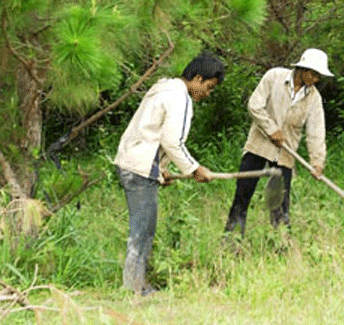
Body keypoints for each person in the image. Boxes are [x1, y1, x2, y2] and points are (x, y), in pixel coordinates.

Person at [113, 51, 225, 296]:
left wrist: (160, 171)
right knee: (142, 231)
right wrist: (195, 169)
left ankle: (136, 284)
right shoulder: (180, 97)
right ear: (197, 78)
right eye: (208, 87)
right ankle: (134, 289)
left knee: (142, 228)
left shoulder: (163, 88)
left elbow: (150, 133)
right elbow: (172, 141)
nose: (207, 93)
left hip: (131, 162)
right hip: (138, 168)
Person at [224, 48, 331, 234]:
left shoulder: (314, 98)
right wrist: (271, 130)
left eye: (318, 76)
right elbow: (254, 106)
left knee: (279, 204)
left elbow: (316, 132)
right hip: (258, 147)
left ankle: (280, 244)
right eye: (313, 74)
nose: (315, 80)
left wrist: (317, 162)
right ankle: (231, 241)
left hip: (285, 155)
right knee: (242, 196)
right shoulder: (274, 77)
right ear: (303, 69)